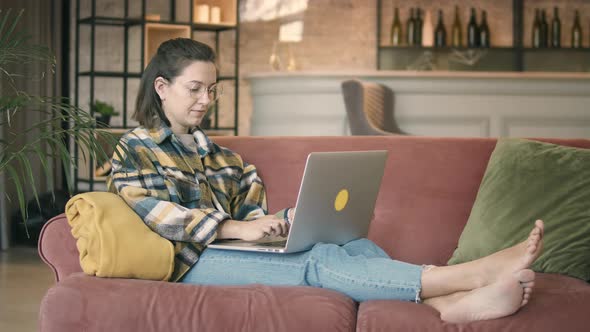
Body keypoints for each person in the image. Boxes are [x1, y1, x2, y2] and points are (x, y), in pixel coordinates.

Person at [108, 38, 544, 324]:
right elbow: (159, 215)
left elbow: (253, 221)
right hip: (189, 264)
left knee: (350, 246)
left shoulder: (226, 159)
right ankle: (463, 278)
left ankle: (442, 309)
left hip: (230, 251)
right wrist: (237, 228)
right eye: (195, 89)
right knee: (315, 263)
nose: (207, 100)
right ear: (162, 87)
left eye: (213, 89)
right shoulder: (134, 148)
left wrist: (287, 220)